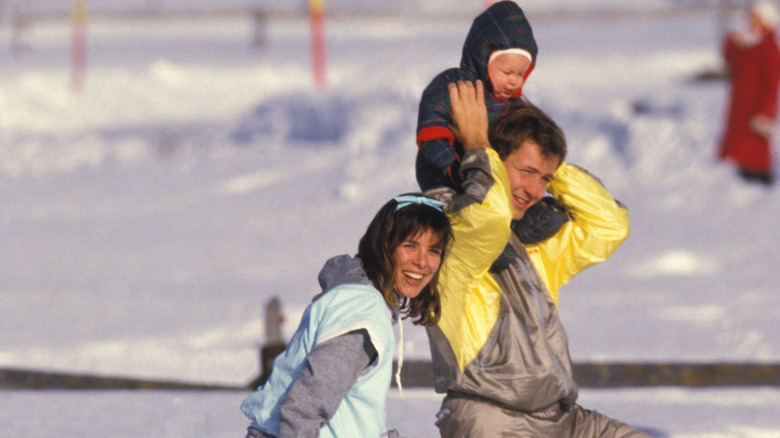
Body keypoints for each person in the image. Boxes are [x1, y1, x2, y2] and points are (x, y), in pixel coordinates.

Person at [424, 80, 649, 437]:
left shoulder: (532, 248)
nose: (534, 190)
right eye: (525, 172)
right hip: (491, 419)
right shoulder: (451, 233)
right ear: (494, 163)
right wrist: (478, 146)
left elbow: (610, 226)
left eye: (543, 179)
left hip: (560, 419)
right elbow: (487, 214)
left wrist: (552, 168)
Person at [240, 194, 453, 438]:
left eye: (434, 250)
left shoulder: (358, 299)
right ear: (384, 245)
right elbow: (303, 409)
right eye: (410, 246)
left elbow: (348, 412)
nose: (422, 262)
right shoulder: (363, 312)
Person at [415, 1, 568, 244]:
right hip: (445, 174)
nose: (514, 82)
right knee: (462, 211)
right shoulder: (454, 84)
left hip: (486, 181)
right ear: (483, 58)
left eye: (521, 74)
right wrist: (450, 163)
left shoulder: (514, 107)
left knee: (495, 204)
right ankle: (482, 238)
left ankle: (515, 236)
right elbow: (432, 123)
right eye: (507, 73)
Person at [718, 0, 780, 185]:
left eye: (756, 16)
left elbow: (771, 85)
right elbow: (730, 58)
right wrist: (732, 40)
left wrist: (764, 113)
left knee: (755, 153)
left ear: (766, 20)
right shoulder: (749, 43)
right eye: (751, 15)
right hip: (740, 108)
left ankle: (760, 189)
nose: (751, 20)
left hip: (755, 111)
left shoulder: (770, 48)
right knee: (739, 154)